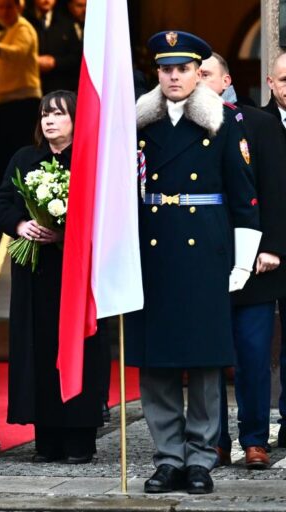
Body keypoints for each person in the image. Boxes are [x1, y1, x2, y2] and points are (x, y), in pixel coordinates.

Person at [125, 31, 261, 494]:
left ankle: (201, 457)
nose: (175, 77)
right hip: (153, 250)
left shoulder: (222, 121)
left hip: (206, 251)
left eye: (183, 69)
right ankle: (167, 457)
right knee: (157, 360)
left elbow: (245, 198)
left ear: (198, 74)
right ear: (156, 73)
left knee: (204, 360)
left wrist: (242, 262)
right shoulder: (138, 125)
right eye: (166, 69)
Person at [0, 90, 104, 463]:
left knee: (77, 348)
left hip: (76, 272)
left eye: (58, 114)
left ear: (75, 120)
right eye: (44, 114)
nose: (49, 120)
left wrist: (65, 232)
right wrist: (21, 224)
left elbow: (99, 210)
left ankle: (79, 438)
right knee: (38, 348)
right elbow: (1, 202)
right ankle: (47, 437)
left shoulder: (88, 159)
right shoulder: (26, 158)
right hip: (35, 271)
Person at [200, 52, 286, 469]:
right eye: (187, 74)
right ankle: (215, 440)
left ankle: (254, 439)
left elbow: (275, 189)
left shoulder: (258, 123)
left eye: (204, 74)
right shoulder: (174, 128)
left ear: (225, 80)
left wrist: (272, 247)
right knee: (210, 357)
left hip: (254, 263)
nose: (196, 81)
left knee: (252, 355)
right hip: (203, 262)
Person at [0, 0, 41, 196]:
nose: (6, 11)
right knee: (3, 155)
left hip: (22, 103)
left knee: (17, 153)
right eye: (1, 7)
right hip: (6, 103)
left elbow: (19, 52)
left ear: (20, 7)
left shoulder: (23, 28)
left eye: (10, 6)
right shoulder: (7, 32)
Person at [262, 51, 286, 450]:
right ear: (270, 83)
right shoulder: (256, 124)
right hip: (269, 254)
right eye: (284, 80)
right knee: (263, 343)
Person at [24, 0, 82, 94]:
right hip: (30, 90)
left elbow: (76, 57)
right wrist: (34, 61)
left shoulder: (66, 22)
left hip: (61, 89)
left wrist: (55, 62)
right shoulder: (24, 22)